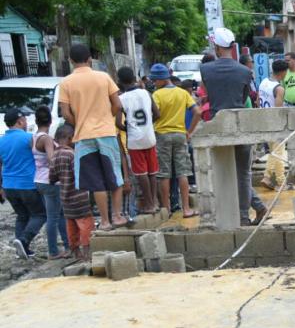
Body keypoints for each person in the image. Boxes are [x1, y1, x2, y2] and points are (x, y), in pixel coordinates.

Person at [200, 27, 268, 226]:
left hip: (217, 127)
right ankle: (244, 216)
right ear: (232, 46)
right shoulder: (245, 71)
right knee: (243, 174)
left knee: (222, 174)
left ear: (216, 47)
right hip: (240, 126)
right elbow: (244, 98)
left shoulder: (206, 70)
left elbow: (208, 95)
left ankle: (228, 216)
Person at [58, 43, 127, 231]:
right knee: (114, 175)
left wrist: (80, 122)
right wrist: (107, 118)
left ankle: (104, 221)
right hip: (106, 133)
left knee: (96, 181)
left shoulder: (66, 83)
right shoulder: (103, 77)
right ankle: (117, 216)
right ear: (90, 59)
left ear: (70, 60)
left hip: (83, 136)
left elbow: (66, 113)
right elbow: (117, 105)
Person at [149, 63, 199, 218]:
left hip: (162, 135)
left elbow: (154, 114)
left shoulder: (157, 95)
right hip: (180, 135)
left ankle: (167, 209)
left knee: (164, 174)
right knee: (182, 172)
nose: (154, 83)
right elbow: (197, 112)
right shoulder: (182, 93)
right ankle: (186, 209)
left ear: (162, 79)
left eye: (155, 80)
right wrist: (189, 132)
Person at [0, 107, 46, 258]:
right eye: (25, 120)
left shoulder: (1, 141)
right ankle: (24, 240)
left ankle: (21, 250)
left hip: (8, 186)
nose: (26, 123)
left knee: (22, 216)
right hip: (27, 184)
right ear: (20, 121)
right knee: (40, 214)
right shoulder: (29, 138)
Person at [116, 66, 160, 214]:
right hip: (149, 136)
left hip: (134, 140)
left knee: (141, 174)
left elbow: (118, 123)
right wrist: (148, 125)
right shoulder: (146, 93)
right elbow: (157, 114)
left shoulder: (121, 99)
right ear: (134, 78)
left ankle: (149, 204)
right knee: (152, 172)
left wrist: (128, 128)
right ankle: (155, 202)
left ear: (120, 82)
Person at [50, 123, 94, 261]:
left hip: (65, 198)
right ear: (70, 138)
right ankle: (87, 253)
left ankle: (76, 252)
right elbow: (79, 174)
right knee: (86, 224)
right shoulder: (72, 154)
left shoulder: (54, 156)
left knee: (71, 225)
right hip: (79, 197)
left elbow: (51, 178)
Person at [32, 106, 69, 259]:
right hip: (50, 181)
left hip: (39, 180)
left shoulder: (34, 137)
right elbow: (51, 159)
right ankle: (53, 251)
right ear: (50, 120)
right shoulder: (46, 138)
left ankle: (67, 246)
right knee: (54, 217)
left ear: (36, 121)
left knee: (58, 215)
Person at [259, 59, 292, 191]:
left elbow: (258, 101)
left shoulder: (263, 82)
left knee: (278, 152)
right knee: (278, 153)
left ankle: (281, 182)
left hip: (263, 120)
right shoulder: (279, 89)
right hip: (274, 123)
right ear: (283, 72)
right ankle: (267, 176)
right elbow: (278, 110)